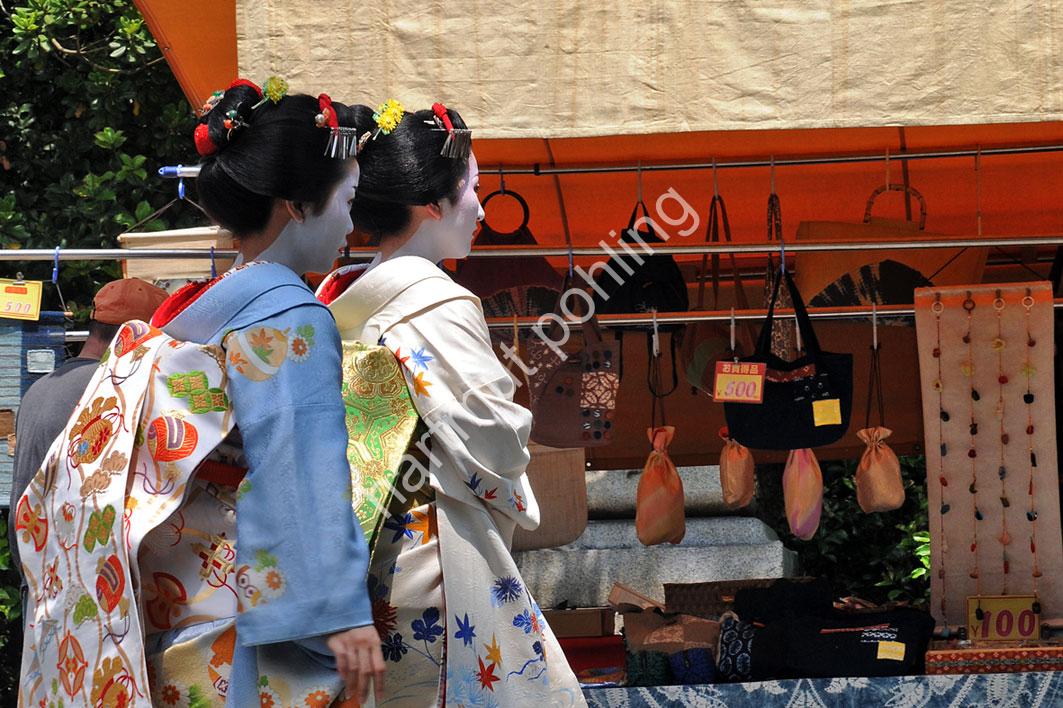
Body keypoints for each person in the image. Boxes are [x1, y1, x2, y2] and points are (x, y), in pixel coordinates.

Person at [14, 80, 384, 707]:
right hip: (233, 616)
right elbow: (297, 469)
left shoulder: (198, 308)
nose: (353, 222)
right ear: (297, 204)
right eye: (347, 200)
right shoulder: (292, 316)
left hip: (167, 606)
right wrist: (338, 609)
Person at [317, 101, 586, 706]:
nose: (482, 209)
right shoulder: (439, 303)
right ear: (431, 204)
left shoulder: (346, 303)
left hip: (372, 565)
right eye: (474, 188)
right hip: (435, 560)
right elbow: (495, 439)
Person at [7, 278, 166, 576]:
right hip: (80, 585)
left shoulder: (39, 389)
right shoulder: (114, 390)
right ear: (138, 338)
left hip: (40, 576)